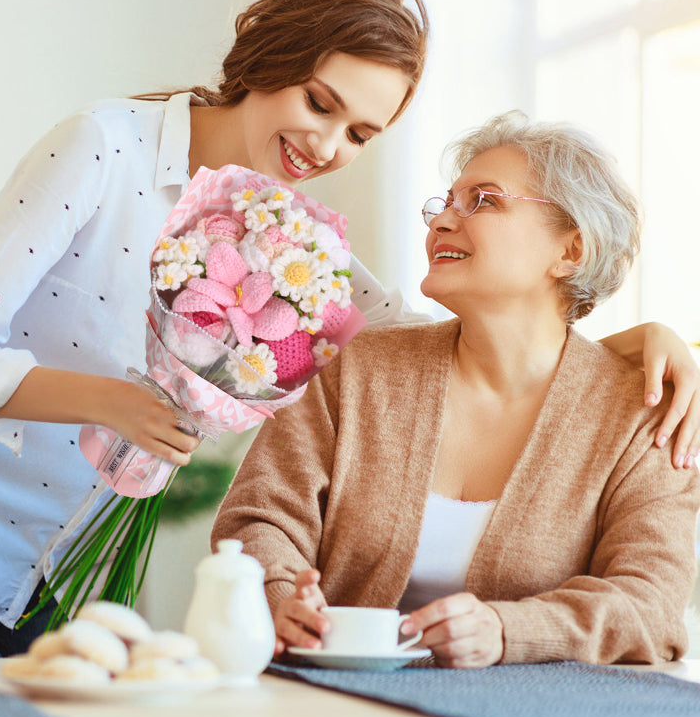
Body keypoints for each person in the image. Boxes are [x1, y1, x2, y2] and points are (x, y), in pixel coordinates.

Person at [0, 0, 694, 658]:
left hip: (56, 579)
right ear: (271, 56)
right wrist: (113, 402)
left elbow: (464, 341)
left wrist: (636, 347)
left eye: (360, 133)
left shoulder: (295, 248)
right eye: (320, 103)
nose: (327, 147)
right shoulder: (104, 147)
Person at [211, 111, 700, 668]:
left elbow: (651, 605)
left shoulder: (643, 414)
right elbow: (260, 517)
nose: (442, 221)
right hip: (332, 707)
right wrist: (276, 592)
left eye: (484, 200)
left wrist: (508, 630)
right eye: (445, 202)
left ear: (571, 251)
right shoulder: (355, 369)